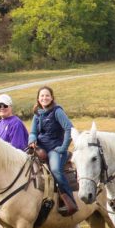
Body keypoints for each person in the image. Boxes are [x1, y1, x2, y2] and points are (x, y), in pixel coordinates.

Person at [28, 86, 77, 216]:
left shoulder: (57, 111)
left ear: (52, 97)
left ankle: (69, 201)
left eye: (47, 95)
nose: (44, 98)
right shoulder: (37, 113)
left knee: (55, 170)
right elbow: (33, 132)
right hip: (40, 148)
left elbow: (69, 129)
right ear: (38, 98)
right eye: (42, 96)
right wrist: (32, 140)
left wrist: (63, 147)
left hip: (55, 148)